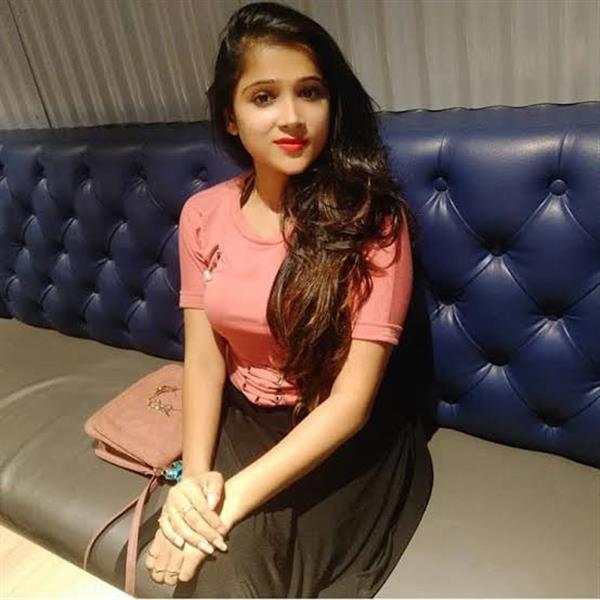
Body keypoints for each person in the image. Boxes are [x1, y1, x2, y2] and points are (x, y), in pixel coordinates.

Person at [144, 2, 434, 597]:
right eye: (264, 97)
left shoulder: (374, 220)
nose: (293, 118)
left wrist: (232, 499)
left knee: (228, 558)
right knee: (207, 561)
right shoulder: (203, 215)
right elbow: (205, 359)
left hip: (342, 436)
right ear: (230, 117)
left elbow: (351, 405)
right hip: (245, 418)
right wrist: (195, 483)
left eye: (310, 92)